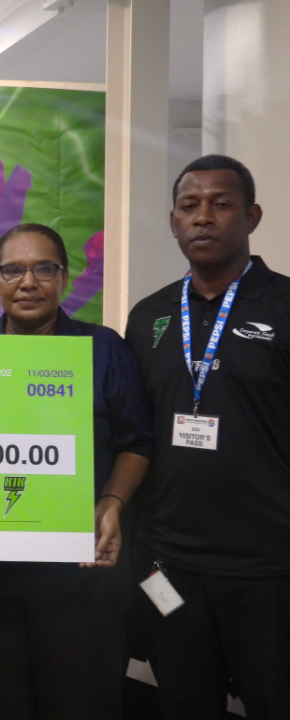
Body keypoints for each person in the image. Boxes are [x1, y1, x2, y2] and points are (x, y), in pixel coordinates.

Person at [0, 223, 152, 720]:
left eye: (43, 268)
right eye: (13, 270)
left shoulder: (102, 348)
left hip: (81, 577)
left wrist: (112, 501)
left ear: (64, 278)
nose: (28, 282)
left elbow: (137, 442)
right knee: (2, 707)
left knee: (80, 705)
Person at [124, 155, 290, 718]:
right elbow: (133, 434)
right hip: (169, 566)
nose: (203, 217)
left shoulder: (284, 307)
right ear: (173, 221)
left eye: (221, 204)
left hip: (269, 570)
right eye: (189, 206)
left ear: (252, 216)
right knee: (183, 704)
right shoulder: (149, 317)